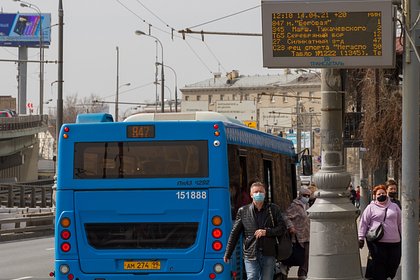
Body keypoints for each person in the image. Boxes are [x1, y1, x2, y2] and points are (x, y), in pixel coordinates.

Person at [224, 182, 287, 280]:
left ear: (265, 193)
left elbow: (282, 228)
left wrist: (267, 232)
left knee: (266, 278)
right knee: (252, 276)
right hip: (250, 252)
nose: (258, 194)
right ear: (251, 195)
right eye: (256, 192)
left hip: (268, 252)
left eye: (261, 191)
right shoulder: (243, 211)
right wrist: (228, 253)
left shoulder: (273, 209)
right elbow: (235, 234)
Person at [358, 185, 401, 280]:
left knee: (394, 262)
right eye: (379, 194)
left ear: (386, 194)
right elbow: (363, 223)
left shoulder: (394, 206)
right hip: (377, 242)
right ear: (374, 196)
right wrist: (361, 238)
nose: (381, 195)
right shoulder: (370, 208)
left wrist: (405, 237)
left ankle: (388, 276)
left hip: (395, 241)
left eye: (383, 193)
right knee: (379, 265)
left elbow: (400, 223)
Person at [280, 187, 311, 280]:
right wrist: (291, 227)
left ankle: (302, 273)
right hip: (298, 235)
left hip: (307, 234)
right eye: (305, 195)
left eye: (309, 196)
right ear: (300, 195)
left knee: (307, 255)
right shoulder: (295, 206)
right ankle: (285, 266)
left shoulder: (307, 205)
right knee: (296, 254)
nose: (307, 197)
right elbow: (285, 216)